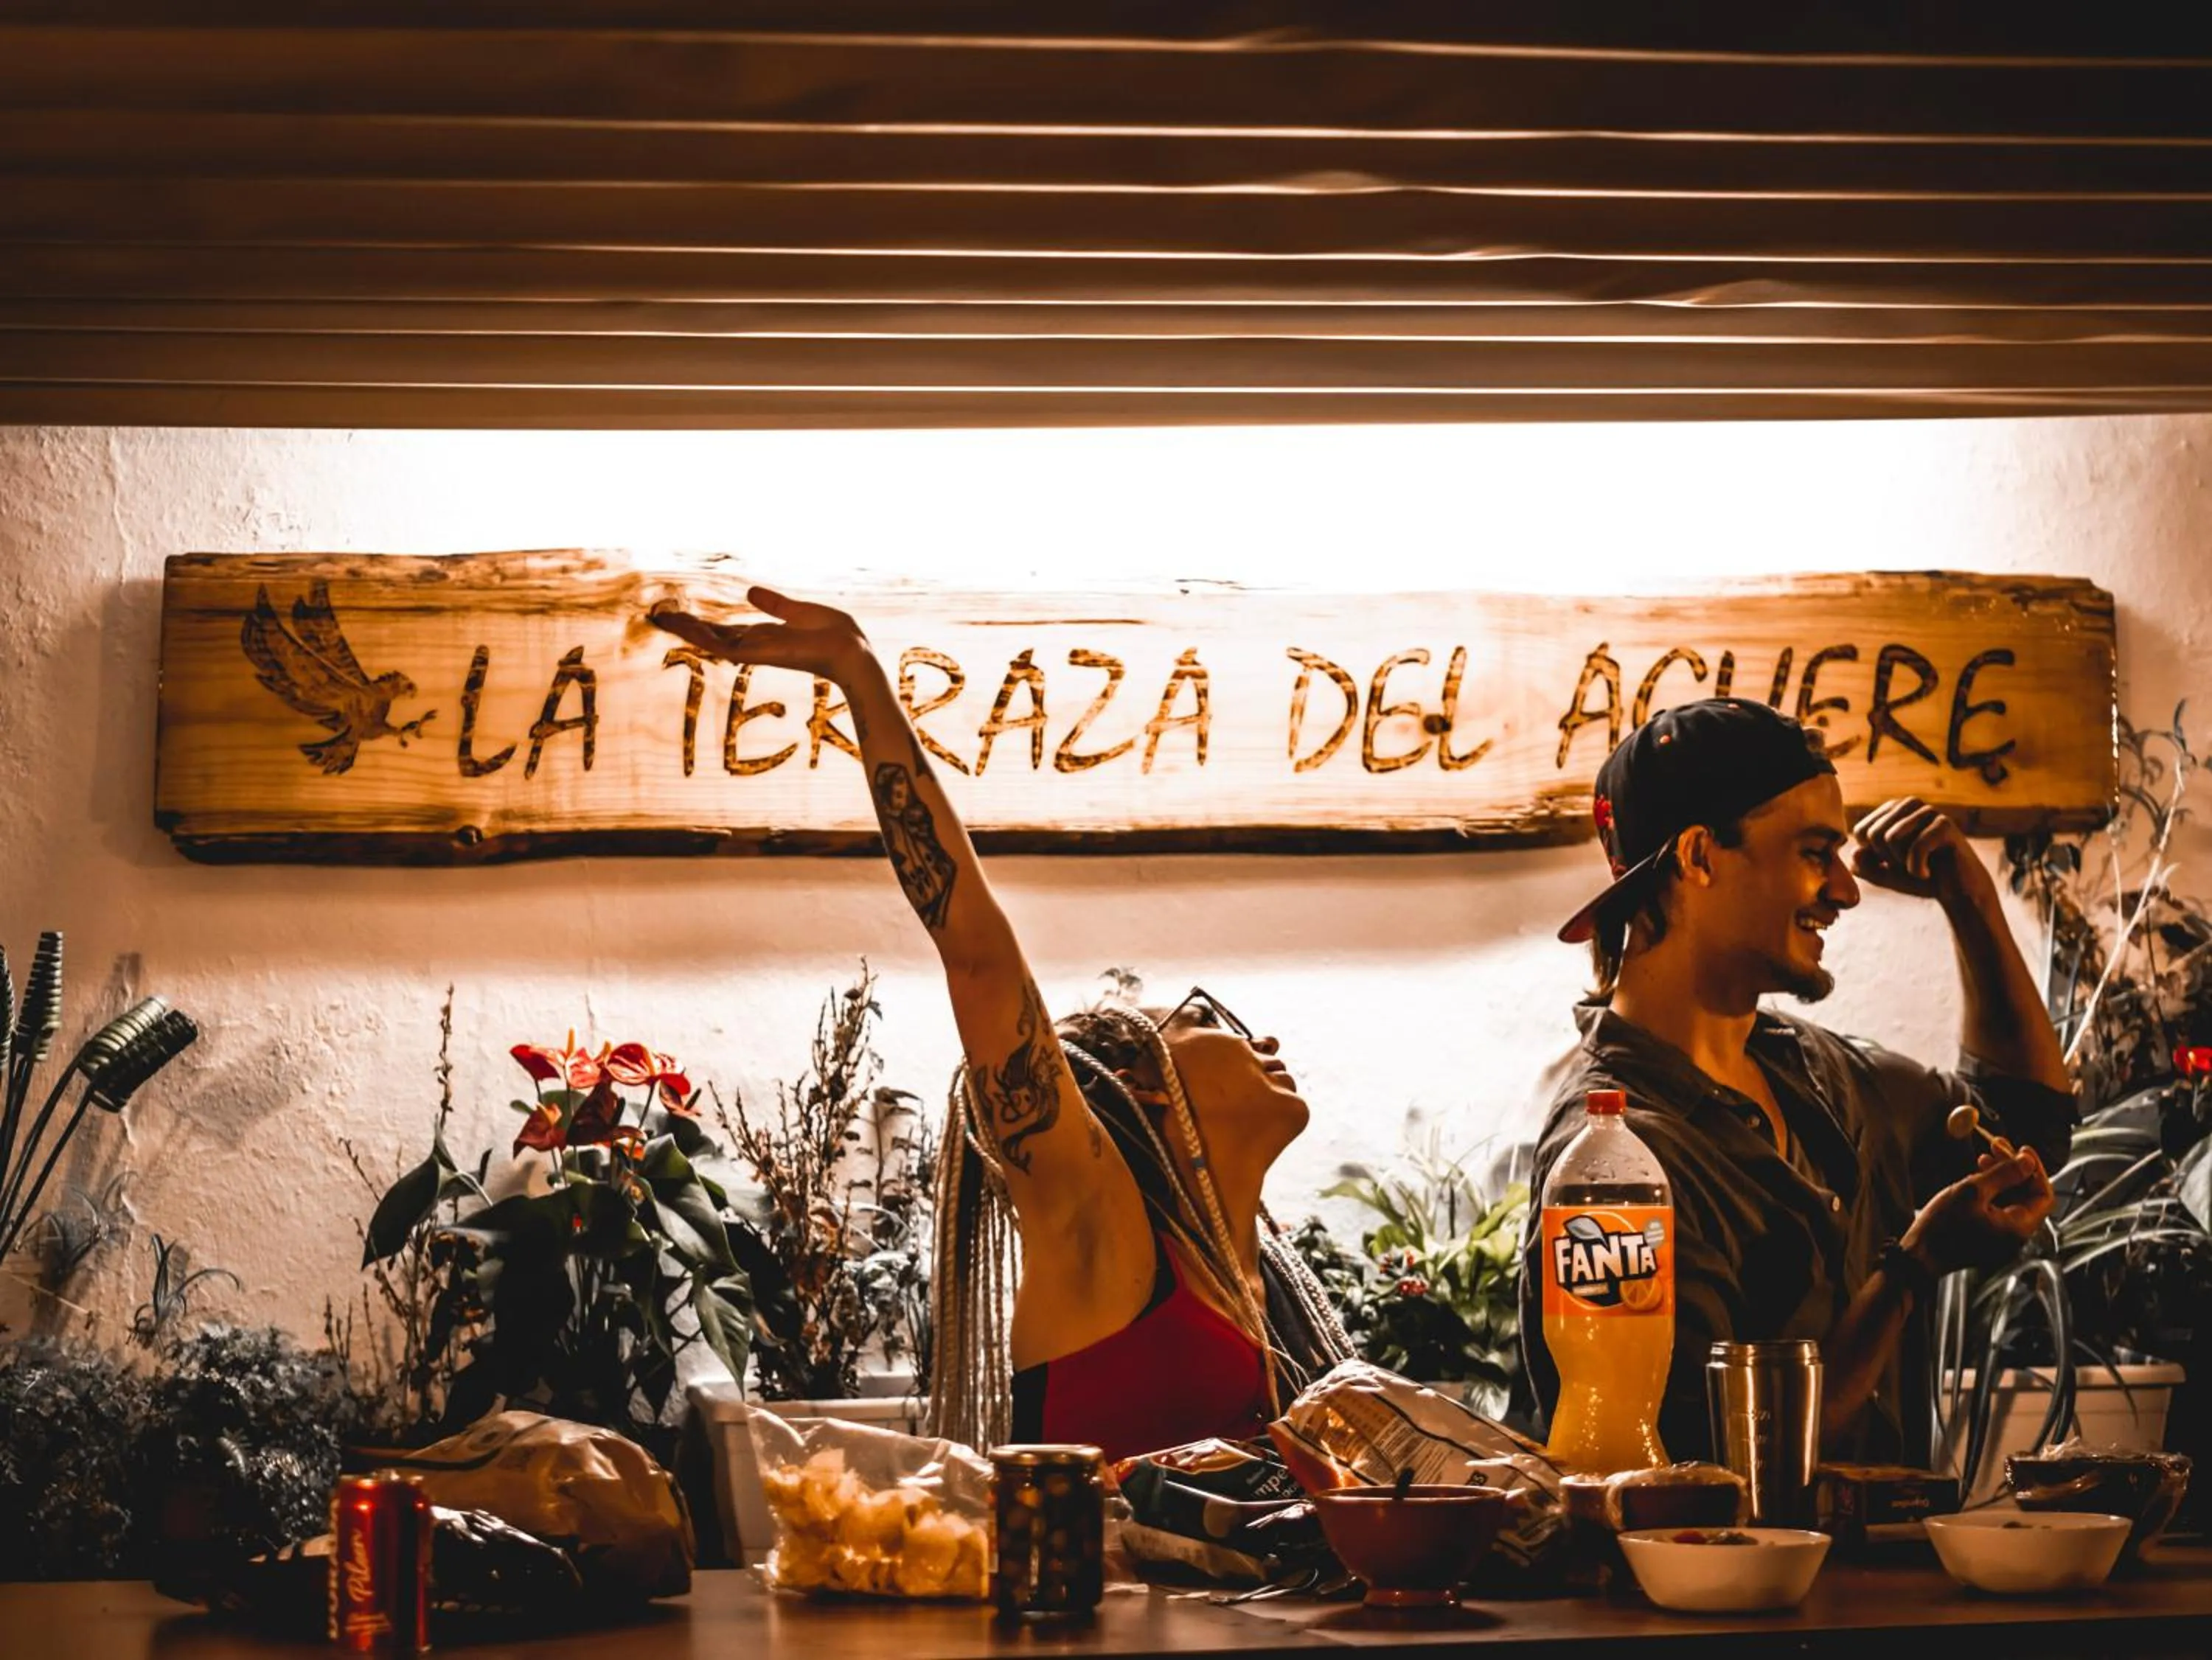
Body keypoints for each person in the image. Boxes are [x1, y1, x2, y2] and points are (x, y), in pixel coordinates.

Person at [650, 587, 1350, 1459]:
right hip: (1095, 1596)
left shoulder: (1256, 1269)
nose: (1265, 1041)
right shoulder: (1098, 1215)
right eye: (1213, 1021)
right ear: (1140, 1083)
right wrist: (859, 675)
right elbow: (977, 956)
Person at [1520, 697, 2075, 1465]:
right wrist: (1909, 1269)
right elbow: (1684, 1474)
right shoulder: (1613, 1160)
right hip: (1724, 1591)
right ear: (1700, 856)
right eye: (1816, 851)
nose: (1847, 890)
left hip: (1887, 1585)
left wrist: (1969, 897)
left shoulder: (1832, 1075)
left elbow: (2028, 1125)